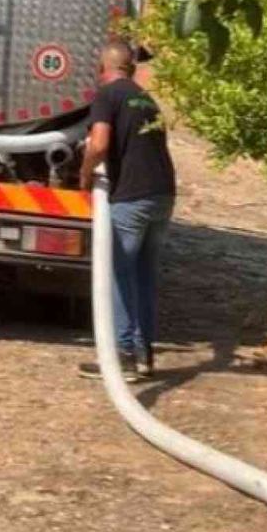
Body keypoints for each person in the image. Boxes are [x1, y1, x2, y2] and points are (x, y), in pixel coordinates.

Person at [77, 40, 176, 381]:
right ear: (131, 68)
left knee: (118, 274)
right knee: (144, 275)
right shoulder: (146, 98)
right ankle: (144, 353)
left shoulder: (108, 95)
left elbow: (99, 144)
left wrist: (85, 173)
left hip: (132, 197)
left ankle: (123, 357)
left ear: (102, 68)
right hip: (162, 194)